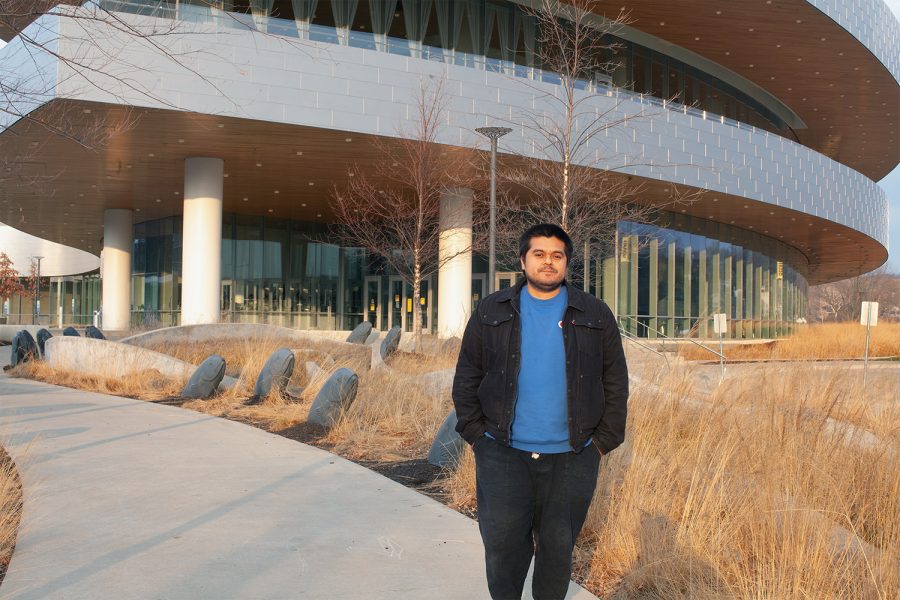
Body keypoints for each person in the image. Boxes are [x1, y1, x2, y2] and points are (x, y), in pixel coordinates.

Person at [452, 223, 629, 600]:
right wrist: (475, 435)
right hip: (501, 452)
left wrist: (603, 442)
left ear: (566, 263)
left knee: (557, 552)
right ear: (523, 260)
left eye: (557, 255)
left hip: (573, 455)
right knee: (502, 550)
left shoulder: (595, 313)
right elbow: (467, 374)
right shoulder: (491, 310)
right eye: (539, 254)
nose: (548, 263)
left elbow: (616, 380)